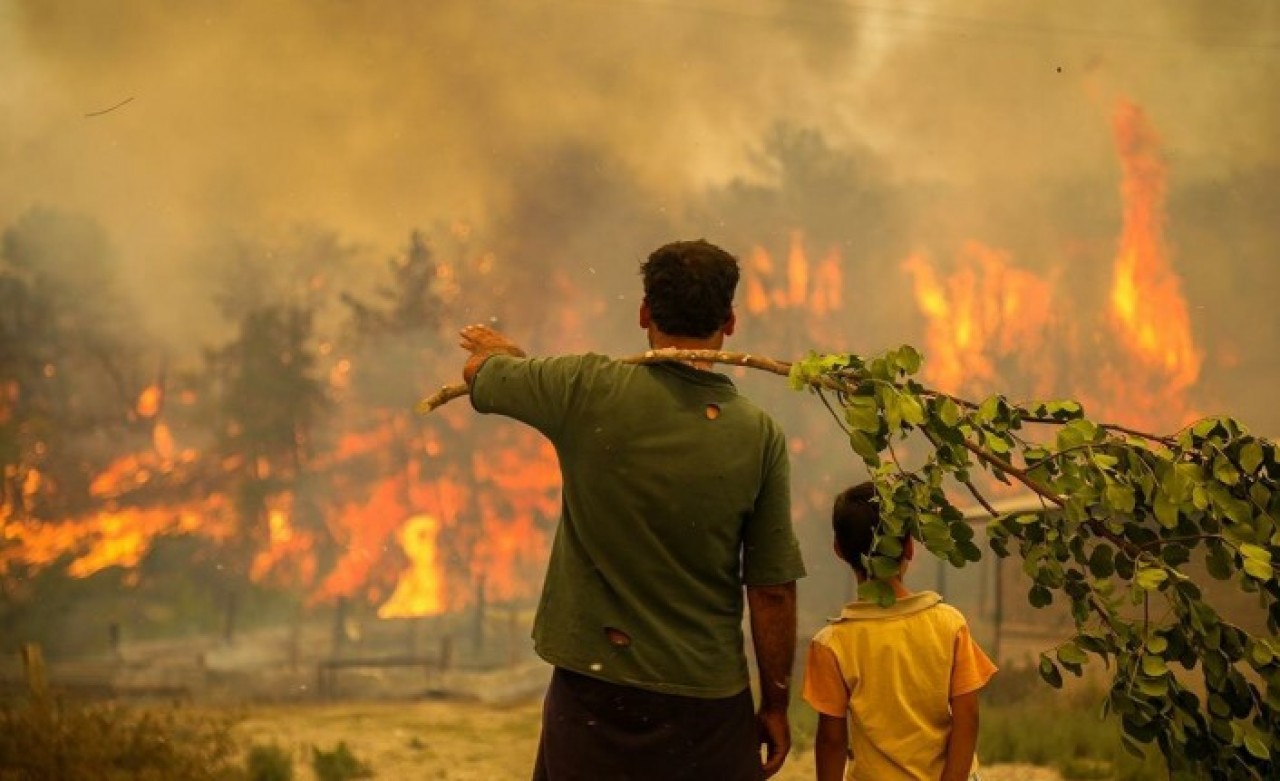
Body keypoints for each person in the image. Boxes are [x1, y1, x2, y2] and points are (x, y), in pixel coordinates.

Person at [457, 239, 806, 780]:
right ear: (730, 322)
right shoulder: (759, 436)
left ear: (644, 313)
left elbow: (481, 373)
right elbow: (772, 589)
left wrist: (502, 354)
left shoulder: (583, 390)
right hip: (706, 707)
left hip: (595, 696)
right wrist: (777, 704)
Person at [802, 482, 997, 781]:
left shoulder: (832, 644)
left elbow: (831, 740)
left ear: (839, 551)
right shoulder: (949, 624)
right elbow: (967, 717)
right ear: (909, 546)